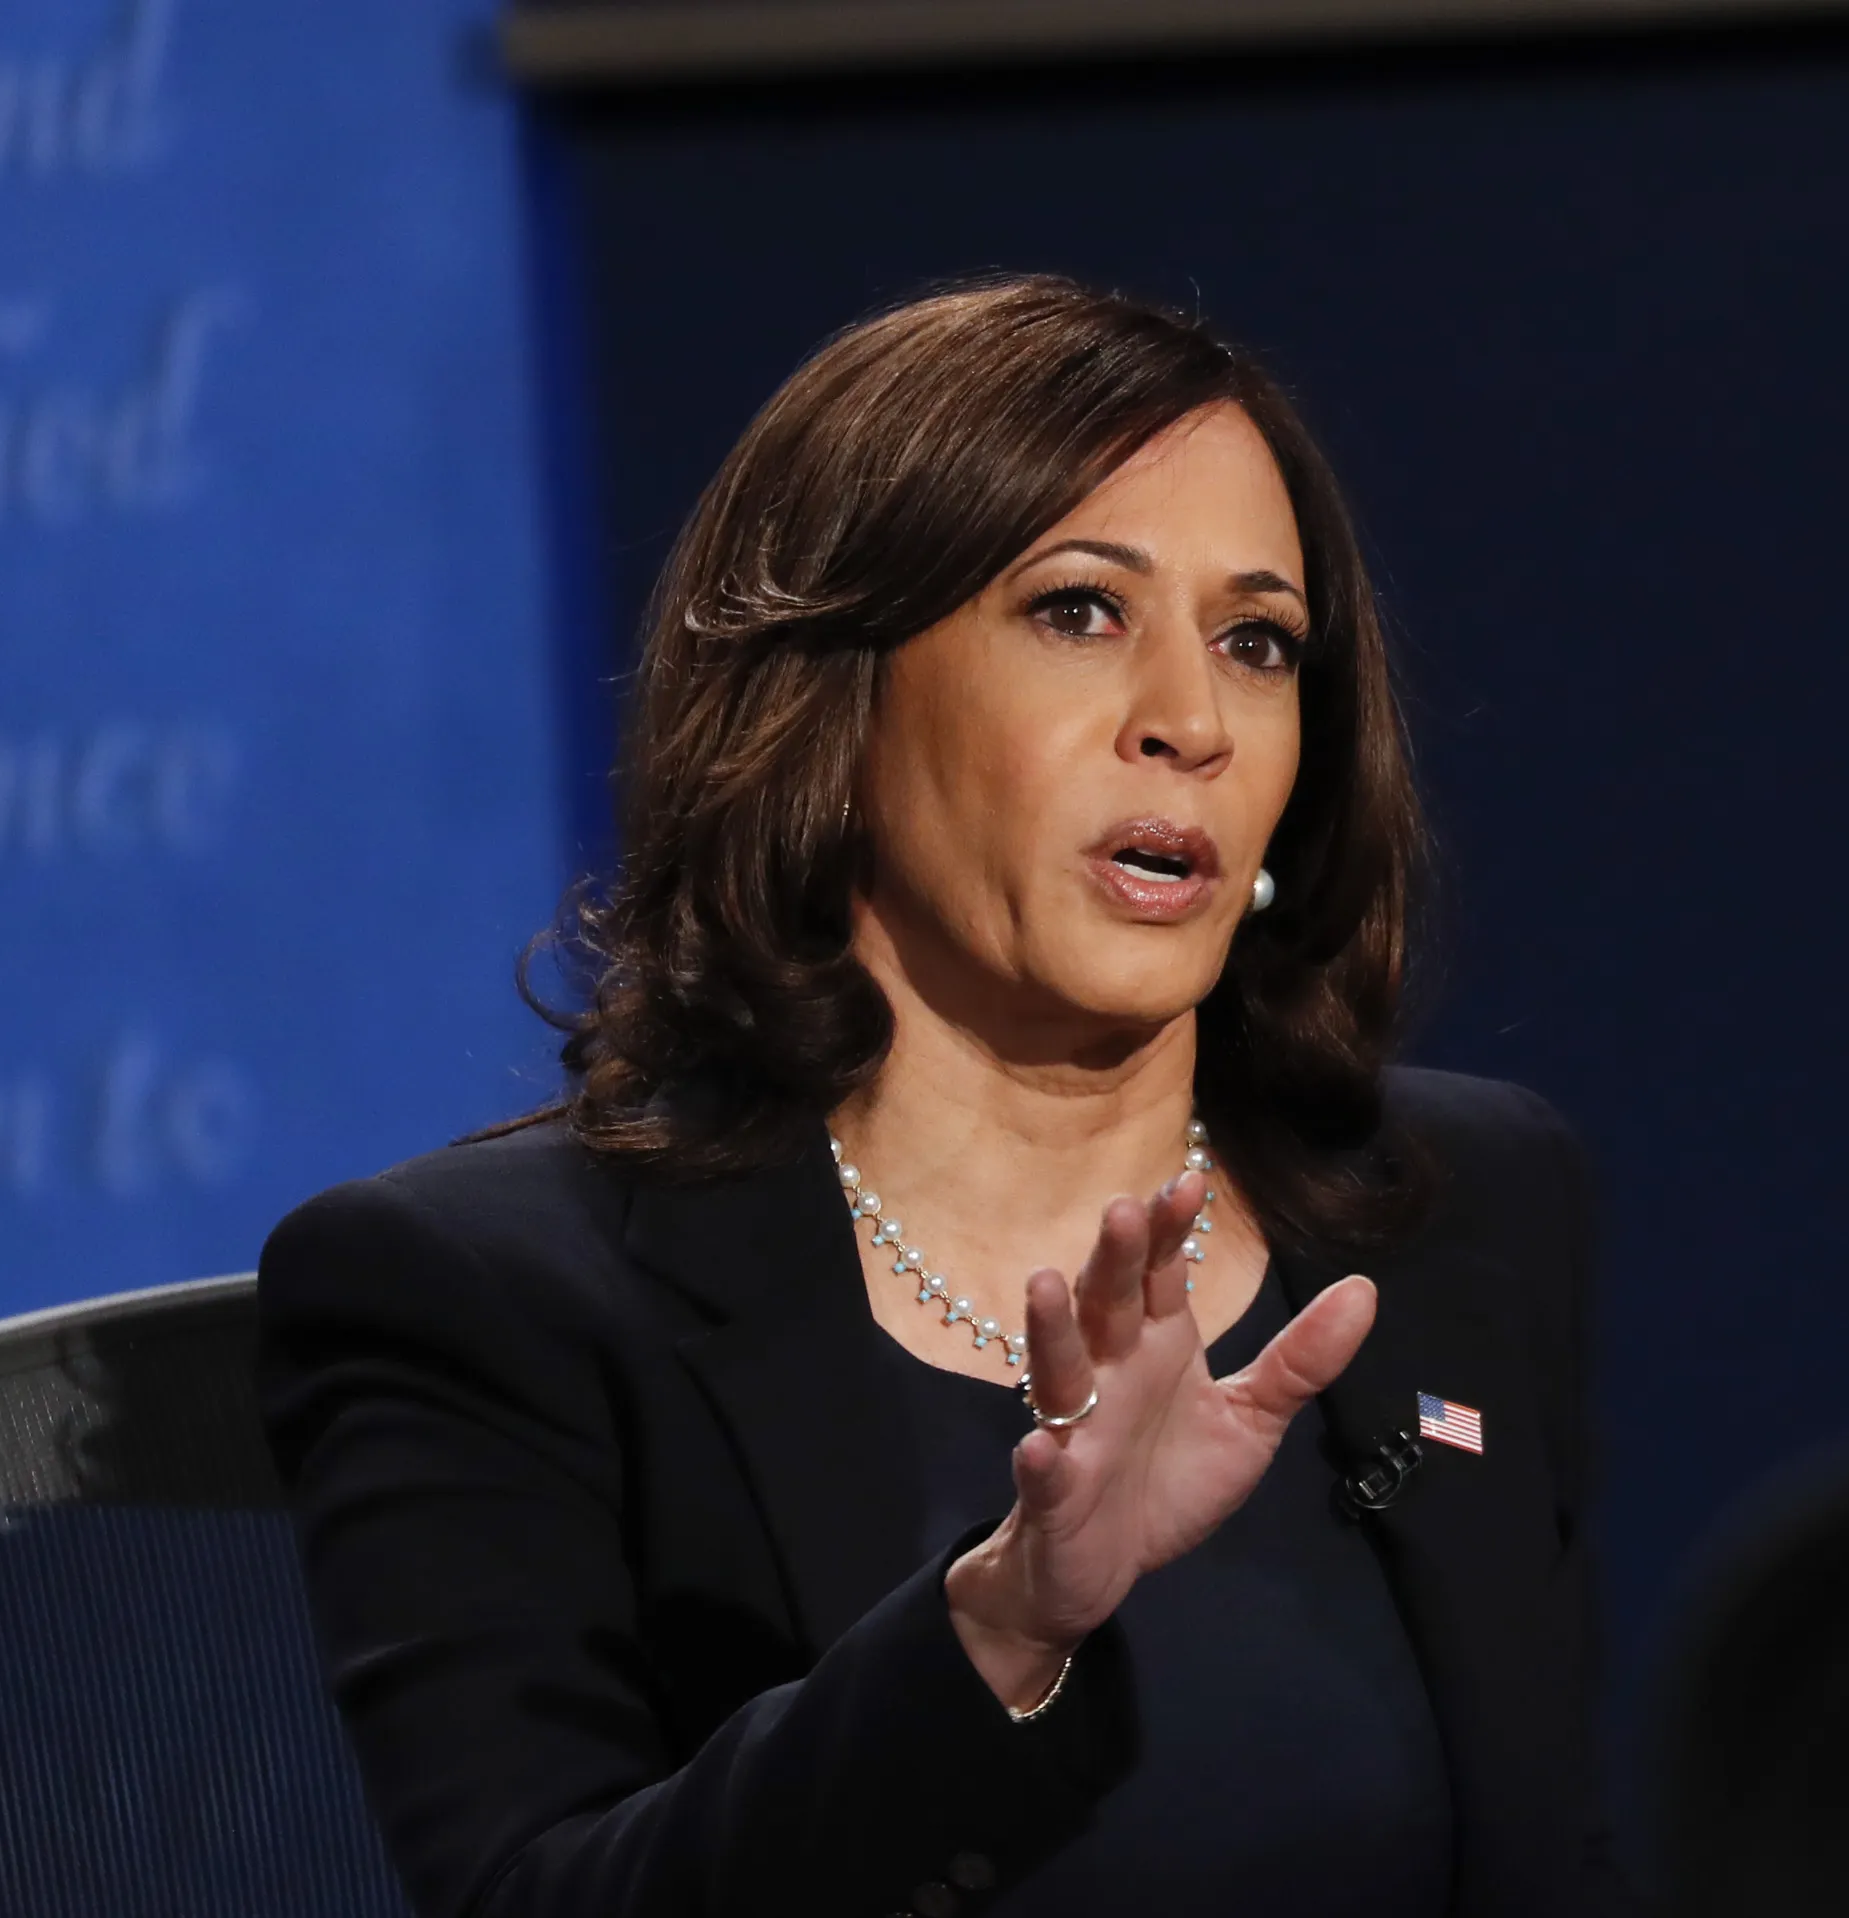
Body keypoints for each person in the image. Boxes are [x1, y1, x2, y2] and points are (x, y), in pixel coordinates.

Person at [257, 276, 1637, 1918]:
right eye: (1077, 610)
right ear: (834, 701)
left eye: (1257, 642)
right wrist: (1003, 1628)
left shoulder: (1455, 1211)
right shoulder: (488, 1299)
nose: (1189, 721)